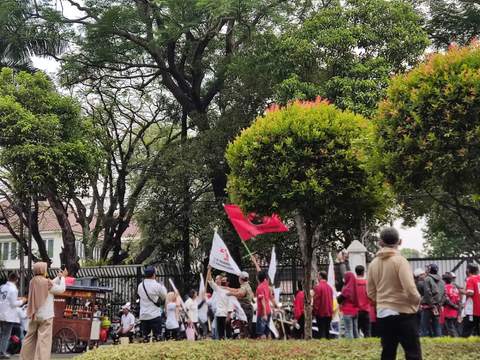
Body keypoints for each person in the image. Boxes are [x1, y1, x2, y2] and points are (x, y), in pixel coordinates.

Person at [367, 227, 422, 360]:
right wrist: (416, 301)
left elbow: (370, 291)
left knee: (388, 351)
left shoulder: (374, 263)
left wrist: (381, 302)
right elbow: (410, 288)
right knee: (412, 352)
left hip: (383, 313)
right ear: (400, 242)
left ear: (381, 243)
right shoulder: (400, 261)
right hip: (403, 312)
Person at [20, 263, 66, 360]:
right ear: (43, 271)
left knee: (29, 338)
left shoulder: (32, 282)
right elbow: (61, 289)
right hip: (46, 316)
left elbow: (49, 285)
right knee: (44, 341)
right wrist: (63, 278)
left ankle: (25, 358)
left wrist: (58, 277)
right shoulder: (47, 283)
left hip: (34, 315)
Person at [0, 273, 27, 359]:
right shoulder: (14, 289)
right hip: (8, 314)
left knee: (2, 334)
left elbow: (7, 299)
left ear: (8, 278)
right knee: (6, 335)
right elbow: (13, 304)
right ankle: (2, 352)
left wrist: (17, 298)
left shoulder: (2, 287)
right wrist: (22, 301)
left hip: (1, 312)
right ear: (17, 280)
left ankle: (2, 350)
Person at [137, 266, 167, 342]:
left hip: (144, 315)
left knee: (145, 337)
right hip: (154, 315)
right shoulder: (157, 285)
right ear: (154, 275)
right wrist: (162, 287)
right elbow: (164, 296)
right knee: (157, 337)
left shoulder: (140, 285)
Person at [421, 264, 451, 337]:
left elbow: (428, 293)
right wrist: (438, 305)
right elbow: (444, 295)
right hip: (438, 307)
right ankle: (438, 344)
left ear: (429, 270)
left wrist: (432, 306)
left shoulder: (427, 279)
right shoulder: (442, 281)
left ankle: (423, 345)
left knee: (423, 329)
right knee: (437, 328)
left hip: (428, 307)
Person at [226, 272, 253, 339]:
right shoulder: (247, 285)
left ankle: (245, 340)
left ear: (240, 278)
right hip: (248, 308)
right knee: (247, 328)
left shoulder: (244, 287)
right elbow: (237, 290)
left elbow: (240, 293)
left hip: (244, 309)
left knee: (243, 329)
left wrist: (231, 293)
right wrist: (226, 288)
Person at [251, 256, 272, 340]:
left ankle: (263, 349)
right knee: (267, 332)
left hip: (262, 313)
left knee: (260, 333)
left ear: (257, 278)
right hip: (268, 310)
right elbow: (259, 271)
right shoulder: (265, 282)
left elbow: (262, 301)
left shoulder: (259, 288)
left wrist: (264, 314)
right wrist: (255, 262)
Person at [207, 266, 229, 340]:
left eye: (224, 280)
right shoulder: (218, 289)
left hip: (226, 313)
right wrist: (209, 270)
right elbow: (210, 281)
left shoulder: (230, 291)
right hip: (218, 313)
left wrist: (229, 315)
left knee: (225, 331)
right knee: (219, 332)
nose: (223, 281)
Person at [338, 272, 359, 339]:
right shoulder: (356, 288)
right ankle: (359, 346)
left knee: (349, 331)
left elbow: (339, 300)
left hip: (347, 311)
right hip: (355, 311)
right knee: (355, 332)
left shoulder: (346, 289)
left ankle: (351, 347)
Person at [313, 271, 333, 339]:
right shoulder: (330, 288)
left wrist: (315, 312)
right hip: (329, 313)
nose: (317, 278)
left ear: (320, 277)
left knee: (321, 332)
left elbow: (316, 301)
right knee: (327, 331)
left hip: (321, 313)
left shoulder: (318, 287)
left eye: (318, 276)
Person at [463, 263, 480, 337]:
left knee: (466, 332)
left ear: (468, 270)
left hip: (473, 309)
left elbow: (470, 293)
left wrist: (461, 291)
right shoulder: (478, 278)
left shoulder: (471, 279)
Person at [443, 273, 461, 337]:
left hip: (448, 312)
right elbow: (459, 302)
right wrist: (459, 313)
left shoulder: (445, 288)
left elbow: (446, 300)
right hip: (455, 313)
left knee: (451, 329)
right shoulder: (455, 289)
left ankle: (456, 342)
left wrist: (453, 306)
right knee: (454, 329)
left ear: (444, 281)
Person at [355, 265, 371, 338]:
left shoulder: (353, 283)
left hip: (356, 310)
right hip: (366, 309)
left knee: (356, 330)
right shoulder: (367, 283)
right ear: (363, 272)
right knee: (367, 331)